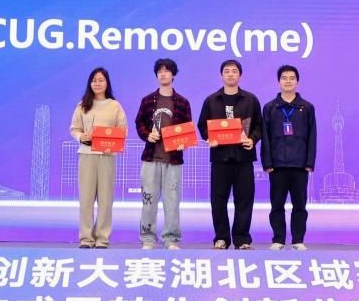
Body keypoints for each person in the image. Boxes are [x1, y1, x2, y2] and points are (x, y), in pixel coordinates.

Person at [197, 59, 263, 250]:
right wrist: (209, 137)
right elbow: (202, 125)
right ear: (221, 75)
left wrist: (252, 139)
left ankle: (242, 239)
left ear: (240, 75)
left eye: (234, 71)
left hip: (244, 157)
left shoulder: (250, 100)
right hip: (220, 157)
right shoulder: (211, 100)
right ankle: (221, 238)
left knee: (244, 200)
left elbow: (259, 126)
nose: (231, 74)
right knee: (218, 200)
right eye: (227, 71)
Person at [134, 58, 192, 250]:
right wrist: (147, 135)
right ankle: (147, 238)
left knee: (172, 202)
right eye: (159, 71)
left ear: (173, 75)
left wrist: (183, 142)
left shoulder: (182, 102)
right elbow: (139, 123)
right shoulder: (147, 100)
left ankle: (171, 239)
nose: (163, 74)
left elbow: (187, 128)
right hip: (151, 158)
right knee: (148, 200)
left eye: (166, 71)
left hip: (173, 160)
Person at [69, 67, 127, 249]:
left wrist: (112, 140)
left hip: (106, 156)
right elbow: (74, 129)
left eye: (101, 80)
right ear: (90, 84)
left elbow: (123, 130)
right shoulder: (82, 105)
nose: (97, 83)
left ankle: (102, 238)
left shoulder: (114, 106)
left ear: (107, 83)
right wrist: (81, 136)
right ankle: (86, 238)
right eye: (94, 80)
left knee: (105, 199)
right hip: (87, 155)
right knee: (86, 199)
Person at [260, 64, 317, 251]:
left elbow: (312, 136)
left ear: (297, 82)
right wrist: (267, 163)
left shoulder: (307, 108)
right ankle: (278, 239)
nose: (288, 81)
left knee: (300, 205)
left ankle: (298, 240)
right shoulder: (270, 108)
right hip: (277, 165)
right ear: (279, 82)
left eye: (292, 78)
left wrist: (309, 162)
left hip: (300, 165)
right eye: (284, 78)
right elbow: (265, 137)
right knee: (277, 205)